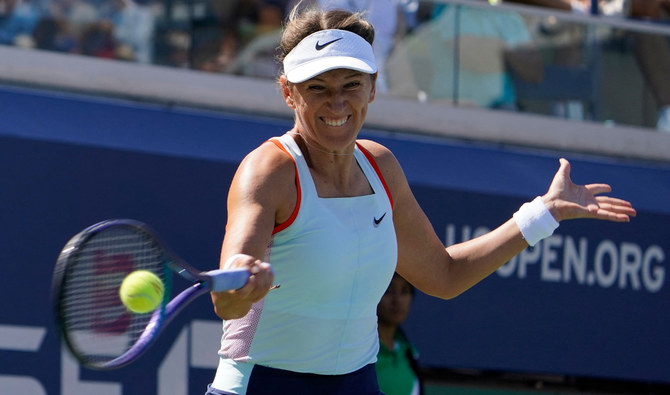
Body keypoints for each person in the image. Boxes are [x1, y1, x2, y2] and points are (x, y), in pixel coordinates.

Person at [207, 4, 636, 394]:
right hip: (261, 385)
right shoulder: (269, 170)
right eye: (316, 87)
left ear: (373, 88)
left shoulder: (381, 166)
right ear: (288, 92)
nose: (337, 101)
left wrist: (543, 214)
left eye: (351, 84)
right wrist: (240, 281)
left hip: (356, 384)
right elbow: (225, 297)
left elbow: (444, 275)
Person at [376, 273, 423, 395]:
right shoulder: (359, 352)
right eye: (388, 290)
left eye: (404, 291)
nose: (397, 300)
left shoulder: (410, 353)